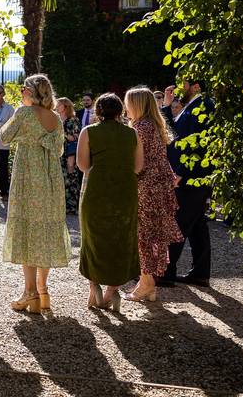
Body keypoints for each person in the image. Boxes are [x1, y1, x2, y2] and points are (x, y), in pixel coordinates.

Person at [1, 74, 70, 316]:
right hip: (50, 181)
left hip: (28, 179)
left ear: (30, 92)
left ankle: (29, 291)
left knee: (27, 232)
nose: (20, 93)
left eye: (23, 89)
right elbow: (59, 150)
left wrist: (23, 129)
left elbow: (4, 137)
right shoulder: (56, 118)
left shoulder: (23, 113)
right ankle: (43, 291)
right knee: (44, 231)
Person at [76, 93, 144, 312]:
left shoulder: (88, 132)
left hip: (97, 190)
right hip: (125, 191)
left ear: (98, 111)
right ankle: (111, 292)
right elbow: (138, 167)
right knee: (121, 240)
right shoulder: (132, 133)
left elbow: (83, 165)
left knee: (93, 238)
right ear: (120, 112)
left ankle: (94, 285)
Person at [124, 87, 182, 302]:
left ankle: (146, 283)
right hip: (159, 186)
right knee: (152, 234)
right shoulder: (155, 125)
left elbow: (136, 163)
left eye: (128, 103)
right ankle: (147, 283)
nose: (125, 107)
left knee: (144, 236)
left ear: (137, 105)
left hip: (146, 187)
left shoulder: (140, 127)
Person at [161, 79, 214, 287]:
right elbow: (175, 134)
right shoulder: (191, 106)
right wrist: (166, 106)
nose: (179, 88)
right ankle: (200, 273)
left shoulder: (203, 106)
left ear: (196, 86)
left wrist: (181, 173)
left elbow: (198, 144)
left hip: (192, 177)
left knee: (178, 222)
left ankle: (165, 271)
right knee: (197, 225)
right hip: (191, 176)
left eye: (184, 83)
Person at [55, 97, 82, 214]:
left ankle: (71, 207)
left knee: (70, 179)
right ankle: (61, 205)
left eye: (59, 104)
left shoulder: (73, 120)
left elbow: (75, 138)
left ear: (65, 107)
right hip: (58, 153)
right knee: (60, 179)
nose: (56, 106)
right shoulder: (56, 119)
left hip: (69, 154)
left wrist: (61, 133)